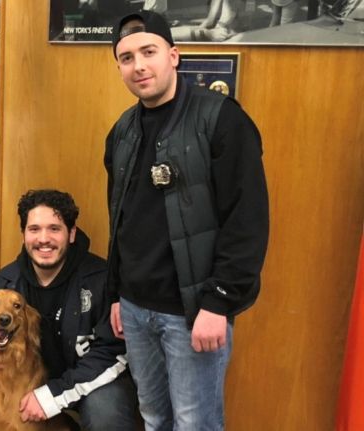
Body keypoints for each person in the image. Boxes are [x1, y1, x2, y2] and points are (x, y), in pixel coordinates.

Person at [106, 10, 269, 430]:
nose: (139, 65)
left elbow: (247, 219)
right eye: (126, 58)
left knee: (195, 423)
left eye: (149, 52)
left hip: (194, 312)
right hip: (136, 310)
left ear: (174, 55)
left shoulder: (221, 119)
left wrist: (219, 301)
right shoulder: (121, 131)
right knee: (154, 417)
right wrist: (115, 295)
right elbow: (120, 220)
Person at [0, 189, 137, 430]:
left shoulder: (101, 280)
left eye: (54, 229)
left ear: (71, 234)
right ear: (24, 235)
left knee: (105, 412)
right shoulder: (3, 282)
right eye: (34, 229)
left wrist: (54, 395)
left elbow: (115, 353)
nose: (43, 239)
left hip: (89, 381)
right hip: (29, 380)